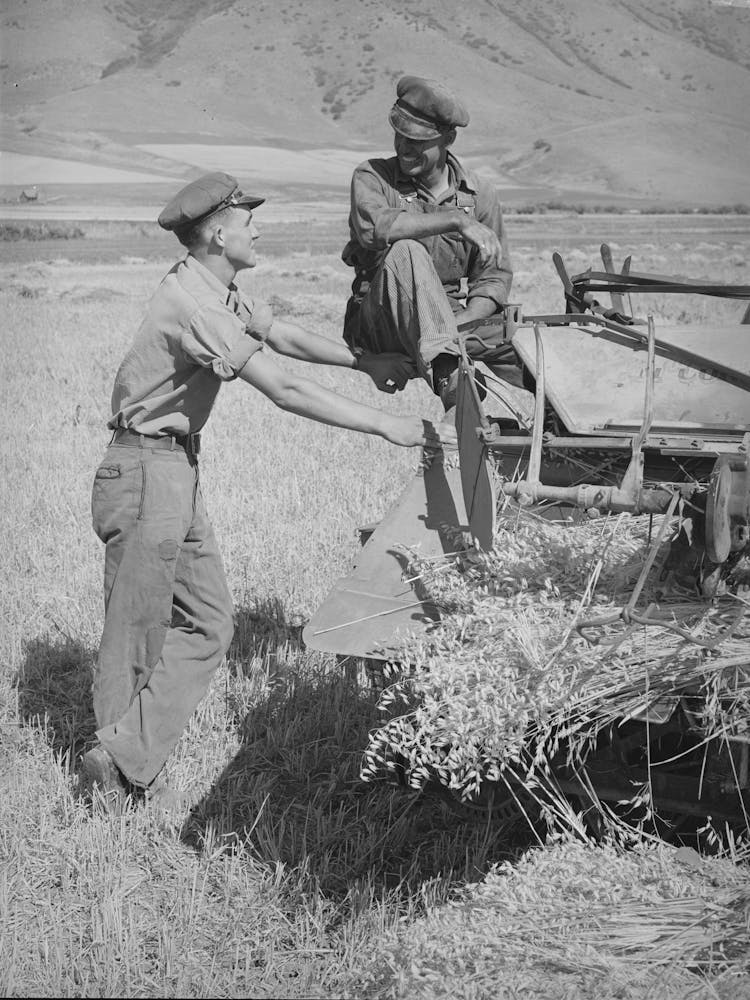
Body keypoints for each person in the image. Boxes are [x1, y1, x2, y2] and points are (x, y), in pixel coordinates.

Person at [82, 171, 454, 809]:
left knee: (208, 623)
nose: (258, 228)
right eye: (247, 220)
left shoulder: (217, 288)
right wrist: (386, 425)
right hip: (146, 471)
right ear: (219, 233)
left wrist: (363, 363)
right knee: (138, 629)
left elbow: (280, 335)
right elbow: (281, 388)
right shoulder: (196, 305)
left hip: (172, 471)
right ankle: (114, 771)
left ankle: (124, 757)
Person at [342, 74, 514, 411]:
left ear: (448, 139)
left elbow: (494, 276)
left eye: (418, 141)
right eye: (400, 136)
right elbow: (374, 228)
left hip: (452, 321)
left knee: (528, 345)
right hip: (383, 322)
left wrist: (465, 321)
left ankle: (571, 429)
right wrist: (454, 220)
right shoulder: (372, 176)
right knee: (407, 250)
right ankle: (453, 380)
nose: (404, 147)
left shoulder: (479, 195)